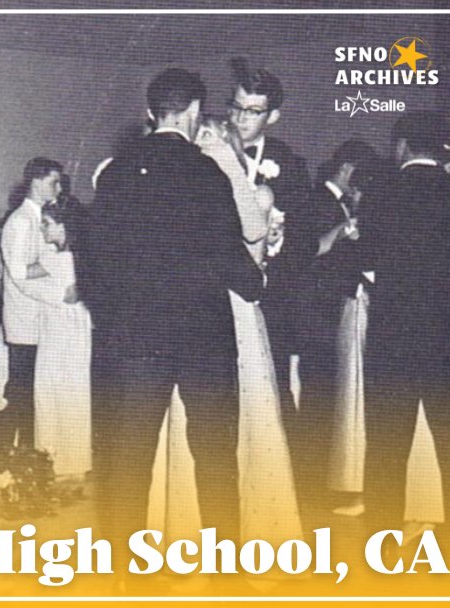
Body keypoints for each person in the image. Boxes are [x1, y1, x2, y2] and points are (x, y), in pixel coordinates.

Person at [75, 69, 264, 566]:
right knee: (216, 459)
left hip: (134, 340)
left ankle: (126, 575)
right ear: (195, 112)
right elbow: (230, 252)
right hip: (205, 339)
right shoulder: (208, 173)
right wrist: (255, 280)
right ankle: (225, 572)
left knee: (130, 461)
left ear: (150, 110)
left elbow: (94, 262)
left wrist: (118, 317)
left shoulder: (115, 172)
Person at [362, 112, 450, 565]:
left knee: (387, 445)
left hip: (395, 336)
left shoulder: (381, 195)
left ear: (401, 146)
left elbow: (364, 260)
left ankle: (382, 548)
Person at [195, 118, 302, 544]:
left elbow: (250, 260)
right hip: (197, 313)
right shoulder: (195, 191)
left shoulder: (255, 194)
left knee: (242, 421)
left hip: (236, 311)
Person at [307, 140, 378, 511]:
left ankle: (339, 480)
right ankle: (323, 481)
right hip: (322, 311)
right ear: (348, 170)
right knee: (326, 397)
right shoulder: (319, 202)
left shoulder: (340, 205)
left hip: (345, 306)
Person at [0, 157, 65, 451]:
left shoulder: (41, 218)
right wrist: (56, 265)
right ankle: (0, 453)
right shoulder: (20, 221)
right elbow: (17, 272)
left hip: (39, 318)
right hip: (24, 319)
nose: (59, 189)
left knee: (31, 393)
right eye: (54, 182)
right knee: (19, 391)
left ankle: (26, 455)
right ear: (36, 182)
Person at [31, 202, 91, 479]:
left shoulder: (65, 259)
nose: (42, 227)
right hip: (58, 331)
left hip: (68, 333)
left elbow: (23, 278)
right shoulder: (59, 257)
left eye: (47, 223)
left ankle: (64, 461)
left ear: (63, 226)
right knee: (56, 392)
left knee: (64, 392)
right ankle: (57, 459)